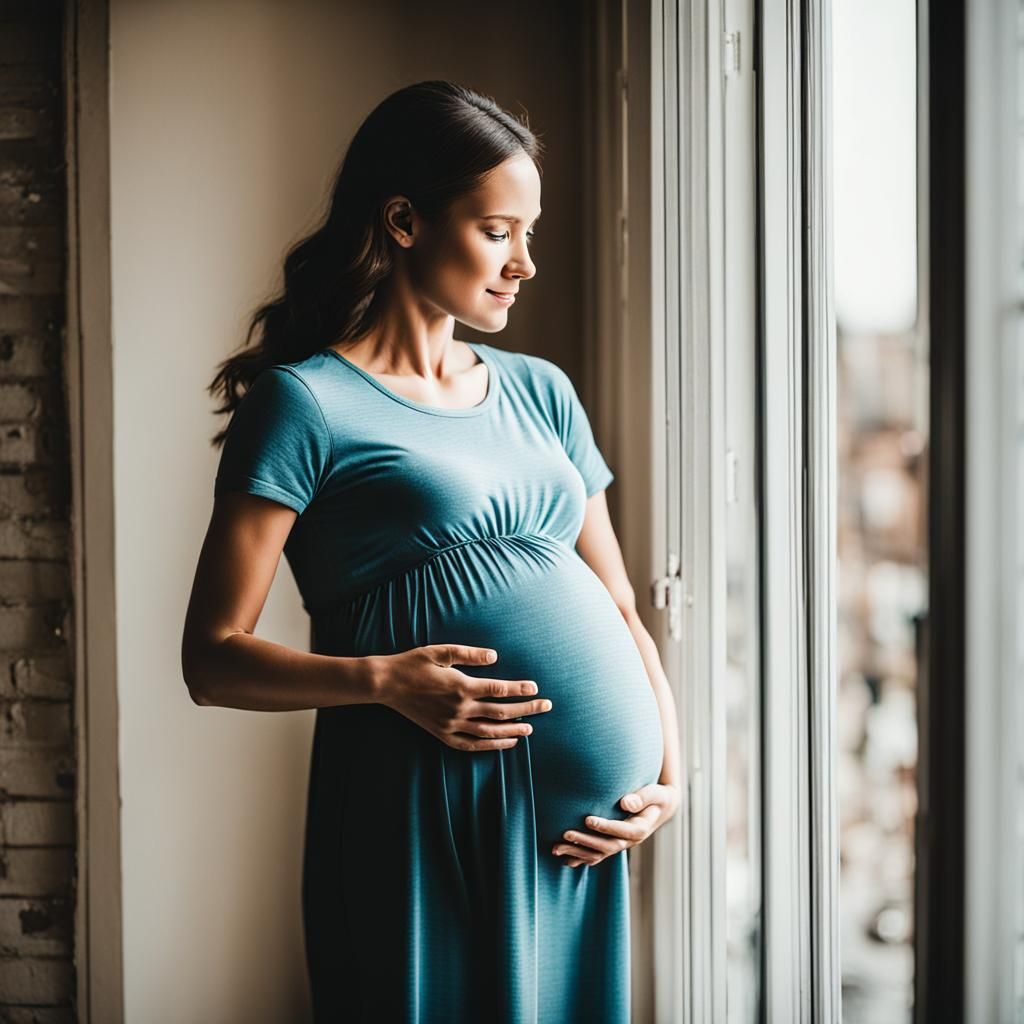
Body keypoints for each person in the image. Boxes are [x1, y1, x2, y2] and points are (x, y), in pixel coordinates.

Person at [181, 80, 682, 1023]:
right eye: (498, 232)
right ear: (405, 221)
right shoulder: (305, 403)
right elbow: (211, 660)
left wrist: (668, 775)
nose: (525, 263)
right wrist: (384, 681)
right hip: (423, 814)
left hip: (578, 848)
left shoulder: (543, 392)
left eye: (530, 233)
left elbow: (620, 608)